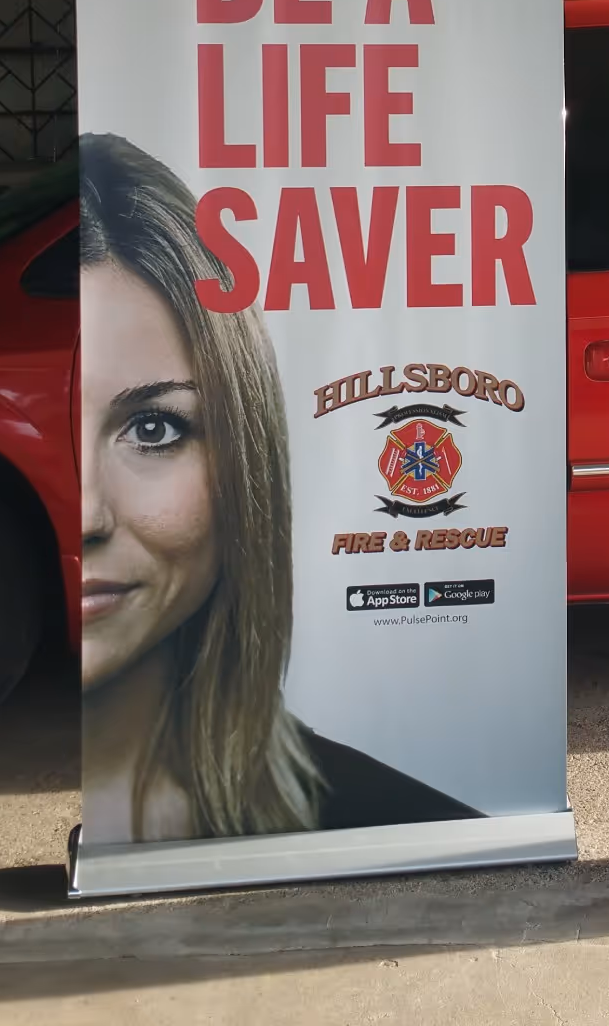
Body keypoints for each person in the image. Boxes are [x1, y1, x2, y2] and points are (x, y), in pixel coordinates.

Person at [79, 133, 479, 843]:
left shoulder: (412, 820)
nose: (86, 513)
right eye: (48, 425)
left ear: (244, 457)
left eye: (152, 428)